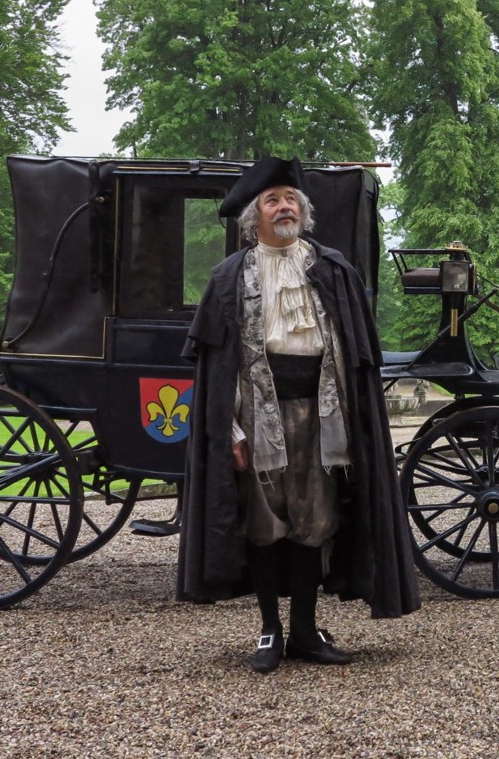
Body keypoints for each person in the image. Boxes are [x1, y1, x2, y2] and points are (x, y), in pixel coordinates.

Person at [177, 155, 419, 673]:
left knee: (315, 522)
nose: (284, 206)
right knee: (265, 525)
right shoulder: (228, 278)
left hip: (323, 417)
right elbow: (221, 370)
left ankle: (307, 631)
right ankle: (270, 630)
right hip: (259, 415)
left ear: (303, 212)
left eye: (291, 199)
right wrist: (232, 429)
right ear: (254, 216)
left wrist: (356, 426)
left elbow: (355, 357)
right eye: (273, 200)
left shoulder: (333, 270)